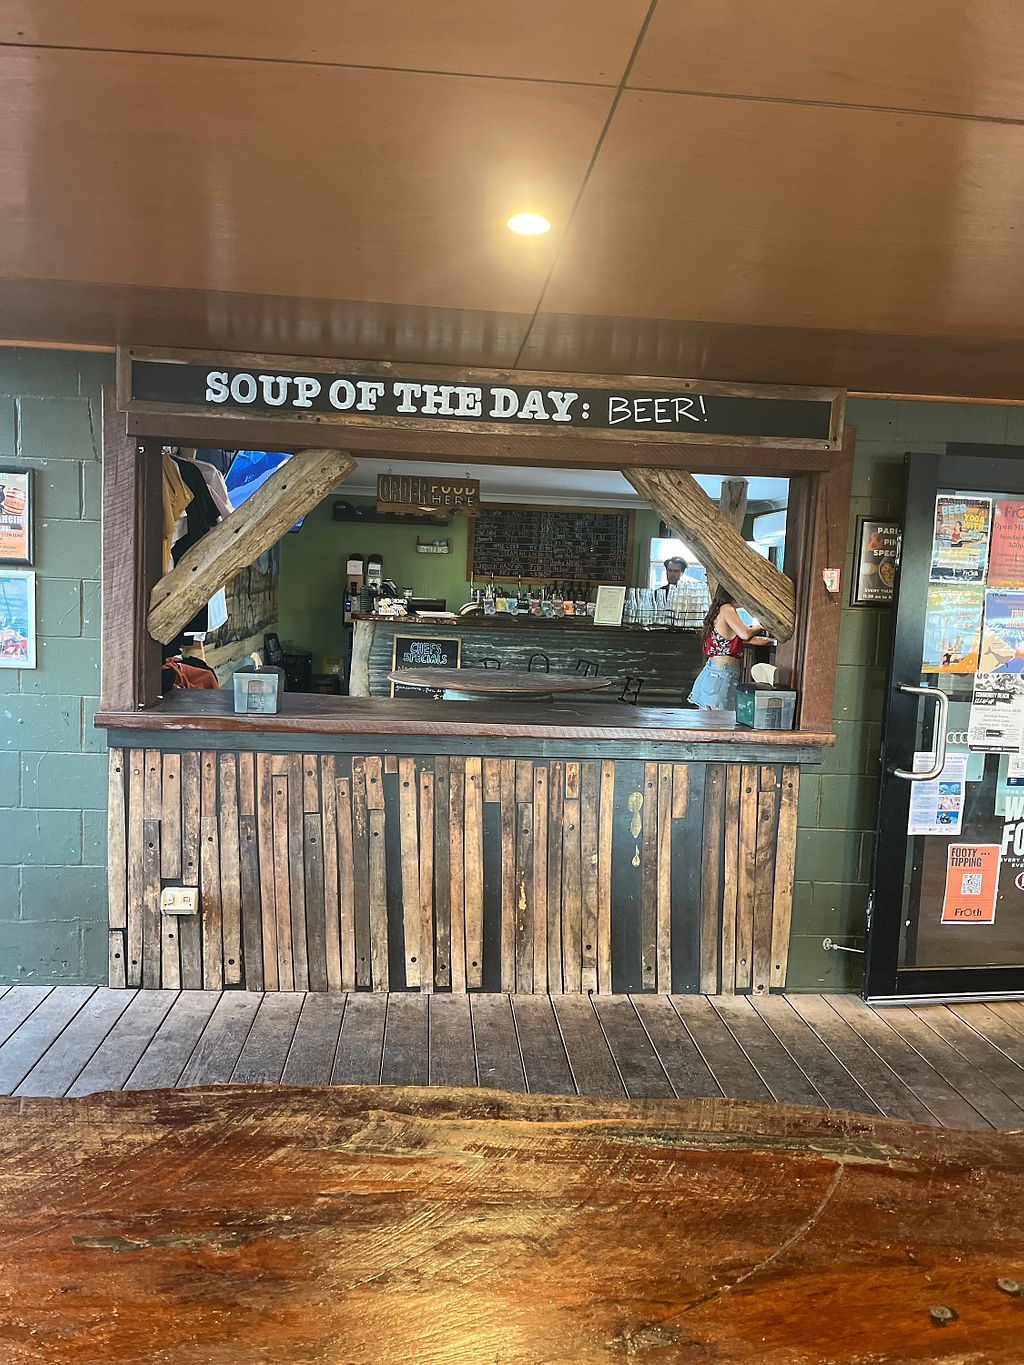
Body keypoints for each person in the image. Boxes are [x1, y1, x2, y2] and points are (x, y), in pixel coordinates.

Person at [688, 586, 774, 711]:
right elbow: (745, 633)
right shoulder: (727, 609)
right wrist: (760, 626)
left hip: (712, 673)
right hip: (722, 675)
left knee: (710, 721)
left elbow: (731, 638)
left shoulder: (718, 610)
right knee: (721, 720)